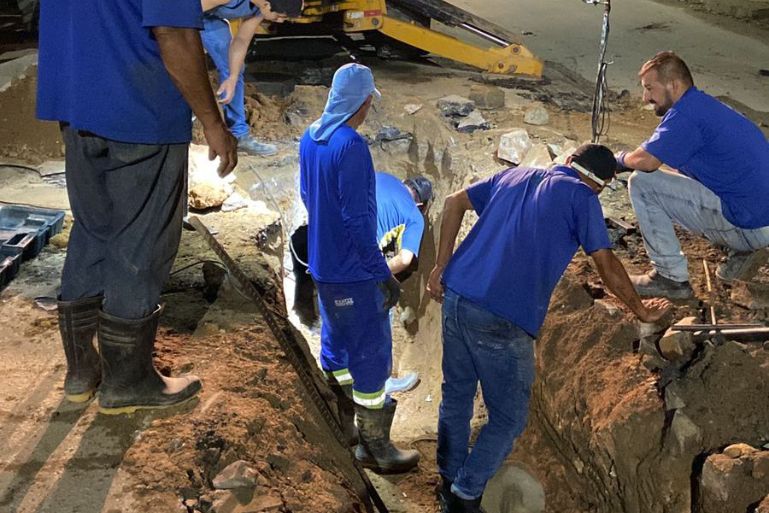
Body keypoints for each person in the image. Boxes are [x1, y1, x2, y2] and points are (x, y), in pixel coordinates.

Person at [426, 144, 671, 512]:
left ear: (569, 161)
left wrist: (440, 265)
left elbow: (453, 201)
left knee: (456, 394)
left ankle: (448, 479)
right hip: (501, 316)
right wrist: (641, 310)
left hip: (457, 296)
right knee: (508, 418)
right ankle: (464, 495)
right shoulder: (583, 197)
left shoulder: (516, 174)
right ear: (601, 185)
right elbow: (605, 263)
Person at [37, 0, 238, 414]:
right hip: (141, 113)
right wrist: (213, 123)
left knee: (92, 230)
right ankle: (127, 382)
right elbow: (174, 33)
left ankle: (82, 372)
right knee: (141, 243)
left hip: (76, 106)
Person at [299, 63, 419, 473]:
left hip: (323, 267)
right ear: (363, 101)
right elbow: (358, 221)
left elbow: (307, 195)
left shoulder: (311, 137)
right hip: (354, 272)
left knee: (336, 343)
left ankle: (345, 425)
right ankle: (376, 448)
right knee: (370, 355)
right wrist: (381, 274)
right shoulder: (350, 146)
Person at [617, 51, 769, 299]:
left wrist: (617, 160)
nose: (645, 97)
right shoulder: (706, 106)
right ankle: (744, 252)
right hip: (761, 218)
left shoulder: (686, 115)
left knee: (643, 183)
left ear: (673, 85)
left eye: (650, 88)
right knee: (683, 177)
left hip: (749, 225)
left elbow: (646, 162)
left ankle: (669, 278)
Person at [289, 172, 433, 393]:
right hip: (353, 267)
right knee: (380, 310)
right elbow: (405, 259)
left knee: (335, 315)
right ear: (421, 204)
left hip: (323, 250)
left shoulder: (379, 176)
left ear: (405, 182)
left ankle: (334, 377)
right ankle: (379, 383)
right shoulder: (414, 214)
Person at [201, 0, 303, 156]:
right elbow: (185, 11)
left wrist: (232, 78)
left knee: (233, 66)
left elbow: (241, 40)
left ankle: (238, 136)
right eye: (279, 16)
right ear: (267, 5)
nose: (280, 21)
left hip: (210, 18)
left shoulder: (262, 7)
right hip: (187, 13)